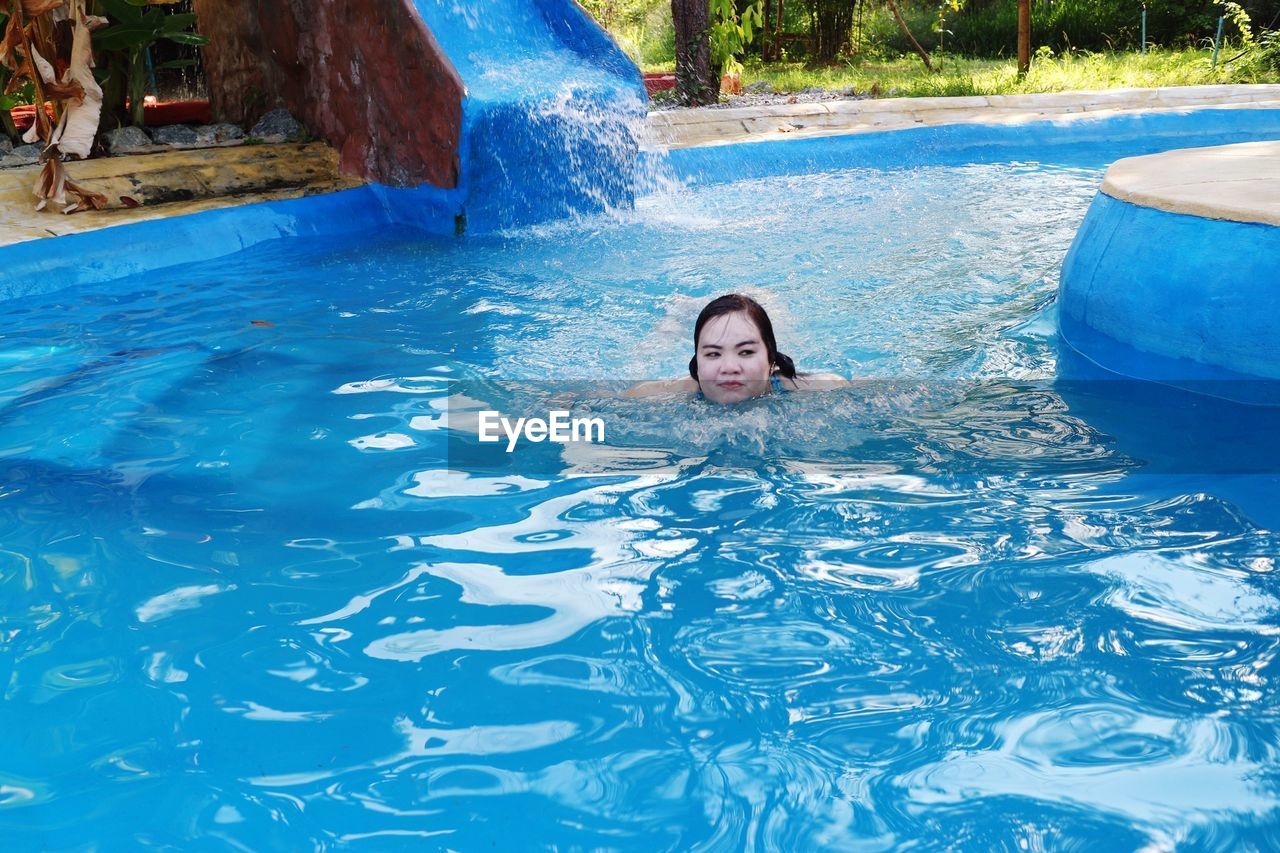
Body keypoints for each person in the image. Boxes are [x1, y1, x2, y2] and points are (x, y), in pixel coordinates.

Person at [626, 293, 847, 404]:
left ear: (771, 362)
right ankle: (678, 310)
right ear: (697, 364)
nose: (729, 367)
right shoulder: (675, 392)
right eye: (713, 354)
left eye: (746, 352)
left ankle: (768, 300)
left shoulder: (809, 389)